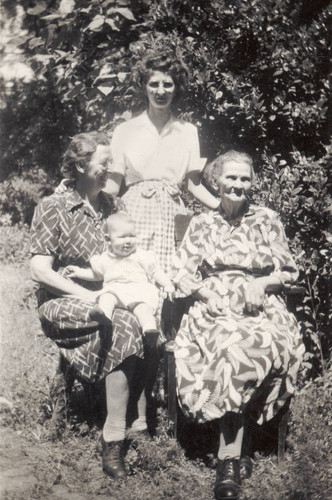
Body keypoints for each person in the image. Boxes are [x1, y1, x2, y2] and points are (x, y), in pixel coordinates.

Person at [171, 151, 305, 500]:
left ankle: (231, 452)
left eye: (245, 179)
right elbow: (181, 272)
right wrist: (202, 293)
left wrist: (262, 284)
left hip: (261, 302)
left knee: (260, 342)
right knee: (229, 345)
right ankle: (232, 457)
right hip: (213, 304)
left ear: (252, 182)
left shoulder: (267, 218)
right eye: (231, 178)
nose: (238, 185)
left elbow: (290, 271)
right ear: (216, 181)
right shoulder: (202, 223)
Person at [30, 132, 148, 480]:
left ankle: (128, 424)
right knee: (123, 324)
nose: (111, 169)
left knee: (131, 319)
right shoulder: (54, 207)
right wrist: (88, 296)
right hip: (61, 301)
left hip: (112, 297)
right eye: (104, 163)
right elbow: (39, 269)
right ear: (81, 165)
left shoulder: (115, 206)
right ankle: (114, 436)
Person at [106, 51, 220, 278]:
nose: (160, 91)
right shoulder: (125, 130)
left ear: (176, 88)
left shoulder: (188, 131)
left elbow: (193, 184)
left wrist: (222, 206)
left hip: (172, 212)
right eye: (154, 84)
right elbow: (113, 184)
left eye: (167, 84)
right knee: (134, 275)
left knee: (171, 276)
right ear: (144, 86)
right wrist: (81, 195)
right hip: (134, 211)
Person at [64, 212, 175, 344]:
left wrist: (167, 284)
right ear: (108, 239)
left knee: (144, 310)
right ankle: (104, 316)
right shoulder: (105, 258)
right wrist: (79, 273)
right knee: (107, 297)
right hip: (116, 291)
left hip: (139, 292)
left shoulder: (141, 255)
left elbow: (155, 271)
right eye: (122, 237)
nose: (128, 241)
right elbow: (97, 275)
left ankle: (150, 332)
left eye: (132, 236)